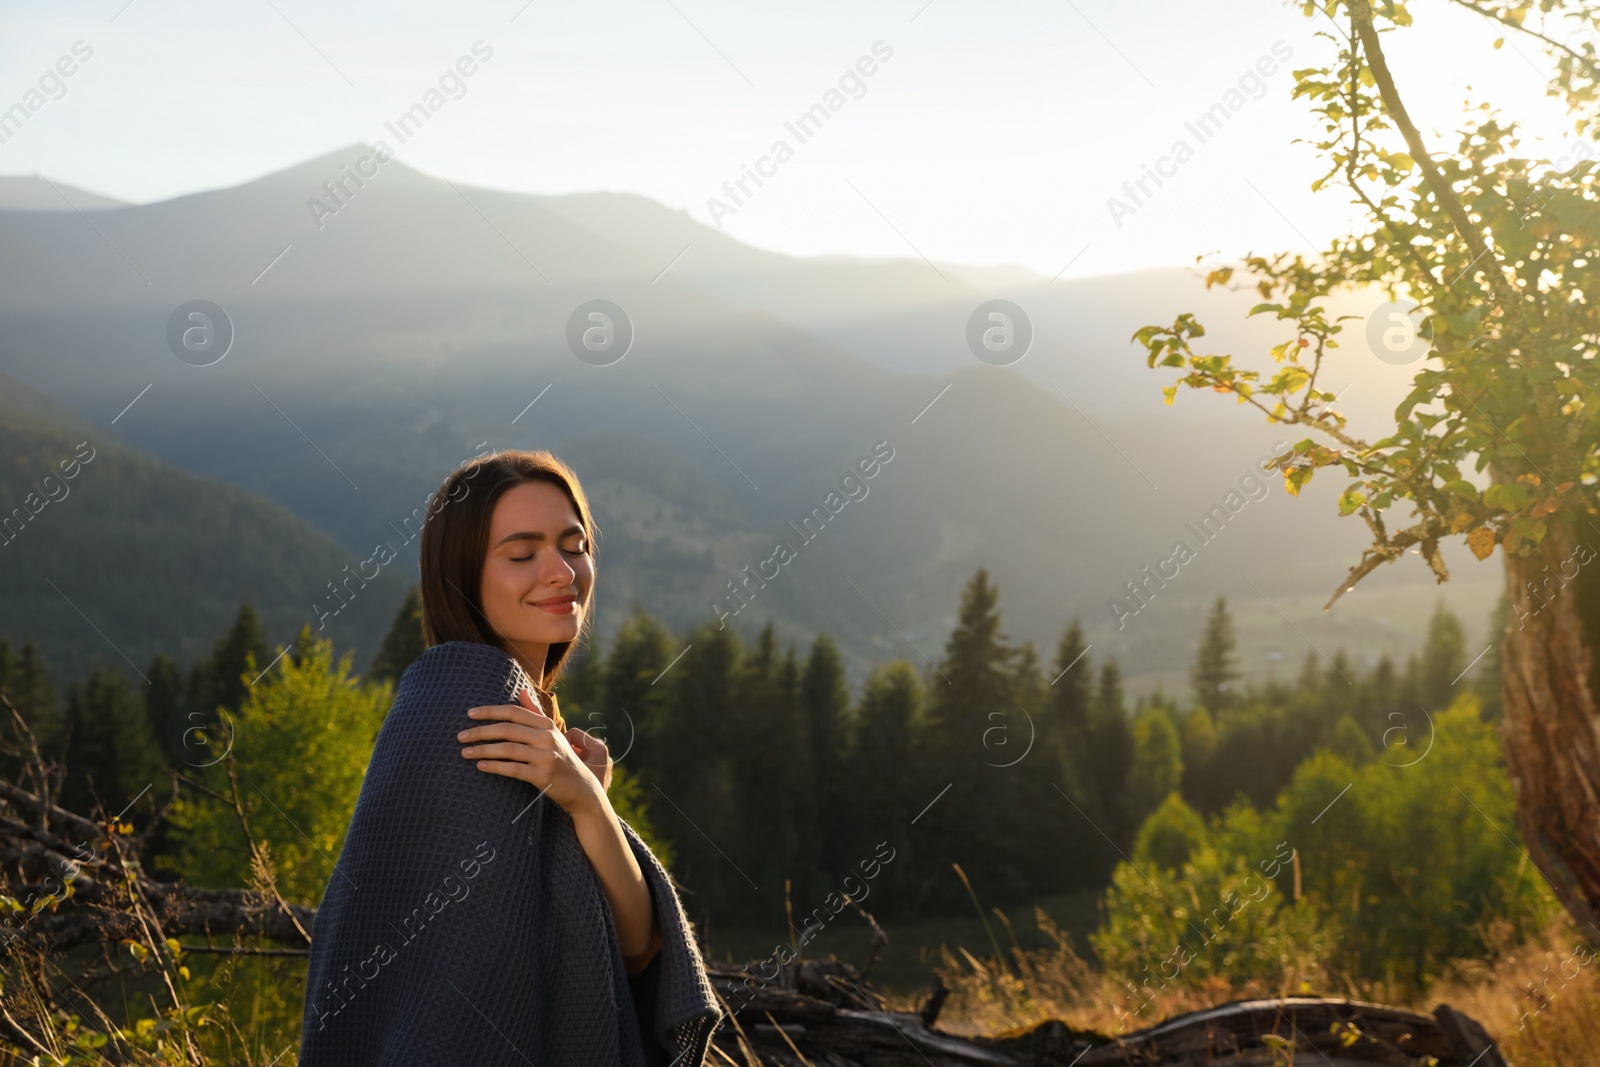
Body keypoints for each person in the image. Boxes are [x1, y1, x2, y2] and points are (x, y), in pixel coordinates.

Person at [298, 449, 723, 1067]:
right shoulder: (462, 717)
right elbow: (460, 991)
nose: (561, 572)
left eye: (573, 545)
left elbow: (635, 948)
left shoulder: (532, 724)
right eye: (522, 555)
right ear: (462, 576)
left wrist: (586, 801)